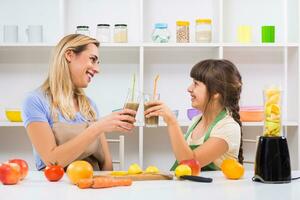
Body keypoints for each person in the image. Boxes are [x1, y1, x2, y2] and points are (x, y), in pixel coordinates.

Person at [22, 34, 136, 171]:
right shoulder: (35, 101)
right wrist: (97, 127)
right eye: (92, 59)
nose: (97, 69)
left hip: (93, 187)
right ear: (69, 55)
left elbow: (106, 165)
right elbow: (52, 161)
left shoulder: (89, 106)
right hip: (56, 189)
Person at [144, 59, 243, 170]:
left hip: (210, 187)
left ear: (215, 92)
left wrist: (172, 122)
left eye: (196, 84)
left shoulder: (228, 127)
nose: (189, 88)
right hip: (190, 186)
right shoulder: (196, 120)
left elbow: (189, 163)